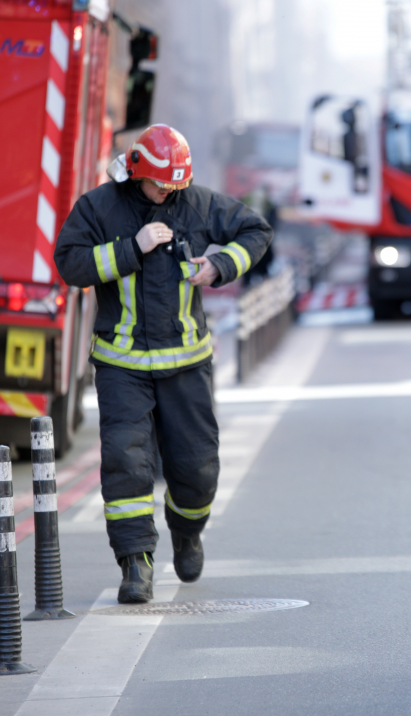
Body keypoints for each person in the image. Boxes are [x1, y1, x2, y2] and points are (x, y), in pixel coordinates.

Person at [54, 124, 272, 603]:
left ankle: (187, 532)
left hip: (186, 365)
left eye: (176, 184)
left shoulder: (196, 203)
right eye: (160, 185)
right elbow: (70, 264)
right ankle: (136, 563)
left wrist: (219, 266)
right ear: (137, 173)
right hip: (122, 366)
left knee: (197, 469)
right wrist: (133, 247)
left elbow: (256, 230)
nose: (169, 193)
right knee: (126, 463)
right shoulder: (99, 207)